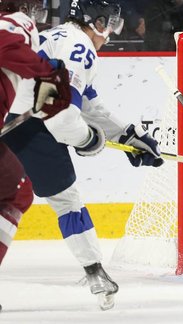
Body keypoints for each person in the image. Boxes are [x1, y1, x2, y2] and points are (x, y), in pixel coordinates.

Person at [3, 0, 164, 311]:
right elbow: (61, 118)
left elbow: (88, 105)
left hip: (12, 117)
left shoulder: (56, 36)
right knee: (66, 200)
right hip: (26, 127)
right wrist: (88, 140)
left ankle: (95, 272)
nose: (111, 34)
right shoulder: (82, 49)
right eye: (111, 24)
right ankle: (95, 272)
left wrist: (130, 134)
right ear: (98, 21)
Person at [0, 0, 72, 312]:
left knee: (17, 188)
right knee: (17, 191)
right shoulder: (12, 24)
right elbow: (7, 44)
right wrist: (50, 71)